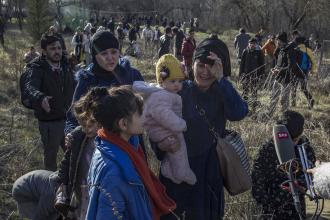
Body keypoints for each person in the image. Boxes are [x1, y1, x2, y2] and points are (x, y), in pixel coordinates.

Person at [159, 37, 248, 220]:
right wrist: (161, 146)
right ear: (192, 64)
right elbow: (157, 123)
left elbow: (239, 112)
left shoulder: (222, 92)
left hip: (209, 175)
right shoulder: (180, 90)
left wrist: (222, 80)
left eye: (212, 66)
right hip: (177, 173)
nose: (205, 72)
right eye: (200, 65)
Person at [85, 86, 176, 219]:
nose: (145, 116)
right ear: (123, 124)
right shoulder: (114, 172)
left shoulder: (122, 147)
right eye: (140, 113)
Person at [133, 54, 196, 185]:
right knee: (179, 149)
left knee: (174, 152)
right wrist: (180, 124)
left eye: (180, 81)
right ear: (161, 80)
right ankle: (181, 173)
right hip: (161, 129)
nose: (177, 85)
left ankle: (169, 169)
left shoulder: (166, 93)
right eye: (173, 81)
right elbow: (163, 114)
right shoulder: (161, 96)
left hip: (162, 128)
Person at [64, 31, 144, 135]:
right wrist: (71, 134)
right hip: (101, 144)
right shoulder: (87, 80)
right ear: (95, 56)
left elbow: (146, 109)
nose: (110, 58)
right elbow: (73, 118)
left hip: (132, 142)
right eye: (104, 53)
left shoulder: (132, 75)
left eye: (114, 52)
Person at [252, 110, 316, 220]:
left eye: (296, 139)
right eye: (293, 139)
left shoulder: (303, 145)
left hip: (297, 209)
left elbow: (310, 170)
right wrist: (269, 206)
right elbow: (257, 183)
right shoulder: (267, 149)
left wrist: (301, 185)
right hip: (272, 210)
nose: (294, 142)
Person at [24, 33, 75, 171]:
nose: (57, 51)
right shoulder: (37, 68)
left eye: (59, 48)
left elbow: (74, 83)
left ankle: (71, 184)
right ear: (44, 51)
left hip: (69, 120)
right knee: (51, 159)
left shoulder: (66, 64)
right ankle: (50, 187)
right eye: (52, 48)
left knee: (74, 155)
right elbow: (30, 87)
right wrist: (40, 97)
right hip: (50, 122)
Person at [55, 87, 100, 220]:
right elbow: (66, 164)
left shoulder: (108, 141)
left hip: (98, 193)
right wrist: (62, 191)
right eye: (83, 124)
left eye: (92, 123)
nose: (87, 128)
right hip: (81, 192)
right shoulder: (78, 136)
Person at [266, 32, 295, 118]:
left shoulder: (290, 51)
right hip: (278, 78)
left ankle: (284, 117)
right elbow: (278, 63)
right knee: (273, 97)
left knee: (284, 100)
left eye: (277, 40)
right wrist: (274, 68)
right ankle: (270, 115)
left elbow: (291, 66)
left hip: (286, 80)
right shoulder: (280, 49)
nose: (276, 42)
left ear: (281, 41)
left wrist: (279, 70)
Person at [239, 38, 265, 112]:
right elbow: (242, 64)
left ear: (256, 44)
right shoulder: (245, 51)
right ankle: (244, 108)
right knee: (245, 92)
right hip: (246, 75)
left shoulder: (259, 52)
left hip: (255, 75)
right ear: (248, 44)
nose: (252, 45)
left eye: (254, 43)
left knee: (254, 92)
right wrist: (241, 74)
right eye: (251, 43)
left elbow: (262, 65)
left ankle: (254, 109)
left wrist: (261, 75)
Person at [290, 36, 316, 108]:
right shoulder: (308, 50)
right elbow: (313, 61)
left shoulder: (296, 49)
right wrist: (313, 71)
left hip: (296, 71)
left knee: (293, 87)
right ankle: (310, 99)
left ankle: (293, 104)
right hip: (304, 72)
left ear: (297, 42)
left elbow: (293, 62)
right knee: (304, 88)